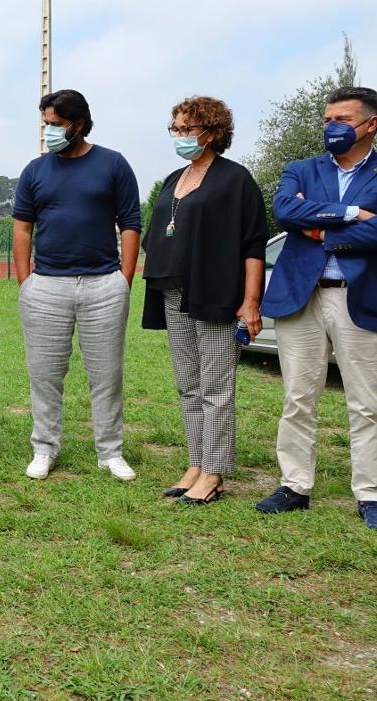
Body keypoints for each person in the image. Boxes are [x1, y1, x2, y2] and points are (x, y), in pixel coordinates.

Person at [255, 86, 377, 532]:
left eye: (342, 120)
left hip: (359, 298)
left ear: (371, 124)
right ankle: (294, 485)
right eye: (327, 119)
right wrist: (353, 213)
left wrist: (320, 229)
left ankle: (370, 495)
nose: (331, 127)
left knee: (368, 404)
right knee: (298, 397)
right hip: (301, 296)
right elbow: (285, 211)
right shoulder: (300, 169)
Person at [141, 96, 267, 504]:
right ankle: (196, 464)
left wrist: (251, 301)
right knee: (188, 385)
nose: (179, 135)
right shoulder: (174, 178)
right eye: (175, 129)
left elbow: (253, 244)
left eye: (187, 129)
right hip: (173, 291)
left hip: (215, 293)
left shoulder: (235, 179)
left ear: (211, 132)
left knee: (216, 386)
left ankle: (214, 473)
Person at [14, 89, 142, 481]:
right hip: (46, 287)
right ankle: (44, 449)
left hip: (104, 285)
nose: (49, 131)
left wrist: (123, 279)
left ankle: (110, 452)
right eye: (45, 124)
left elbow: (131, 223)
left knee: (106, 375)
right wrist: (26, 283)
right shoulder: (35, 171)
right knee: (45, 376)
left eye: (56, 124)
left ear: (79, 123)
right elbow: (22, 229)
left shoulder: (113, 164)